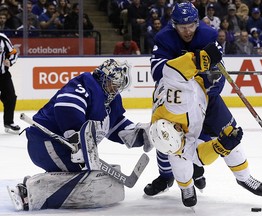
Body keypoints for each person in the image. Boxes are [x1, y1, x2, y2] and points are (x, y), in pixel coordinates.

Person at [144, 1, 262, 201]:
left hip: (206, 97)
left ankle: (244, 177)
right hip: (176, 99)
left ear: (197, 23)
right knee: (168, 140)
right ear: (174, 25)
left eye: (191, 25)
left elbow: (219, 71)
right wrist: (194, 61)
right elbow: (159, 72)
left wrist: (213, 82)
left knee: (230, 134)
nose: (188, 31)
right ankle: (169, 178)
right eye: (182, 27)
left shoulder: (208, 34)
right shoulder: (163, 37)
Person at [8, 59, 152, 210]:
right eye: (112, 84)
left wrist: (141, 135)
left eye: (117, 87)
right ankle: (27, 191)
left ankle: (36, 185)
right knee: (82, 179)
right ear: (102, 78)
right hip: (46, 142)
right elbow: (66, 107)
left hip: (66, 150)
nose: (114, 90)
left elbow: (117, 126)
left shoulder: (111, 102)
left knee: (91, 177)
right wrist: (77, 140)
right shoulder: (85, 84)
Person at [147, 39, 246, 207]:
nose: (183, 141)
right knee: (178, 159)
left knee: (186, 154)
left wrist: (199, 60)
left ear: (176, 127)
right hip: (189, 114)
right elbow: (200, 156)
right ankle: (187, 186)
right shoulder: (168, 138)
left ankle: (199, 175)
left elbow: (171, 71)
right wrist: (220, 146)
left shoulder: (176, 105)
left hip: (195, 87)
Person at [0, 33, 20, 133]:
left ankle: (8, 122)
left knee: (10, 97)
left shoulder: (2, 38)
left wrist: (10, 61)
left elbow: (14, 52)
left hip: (3, 75)